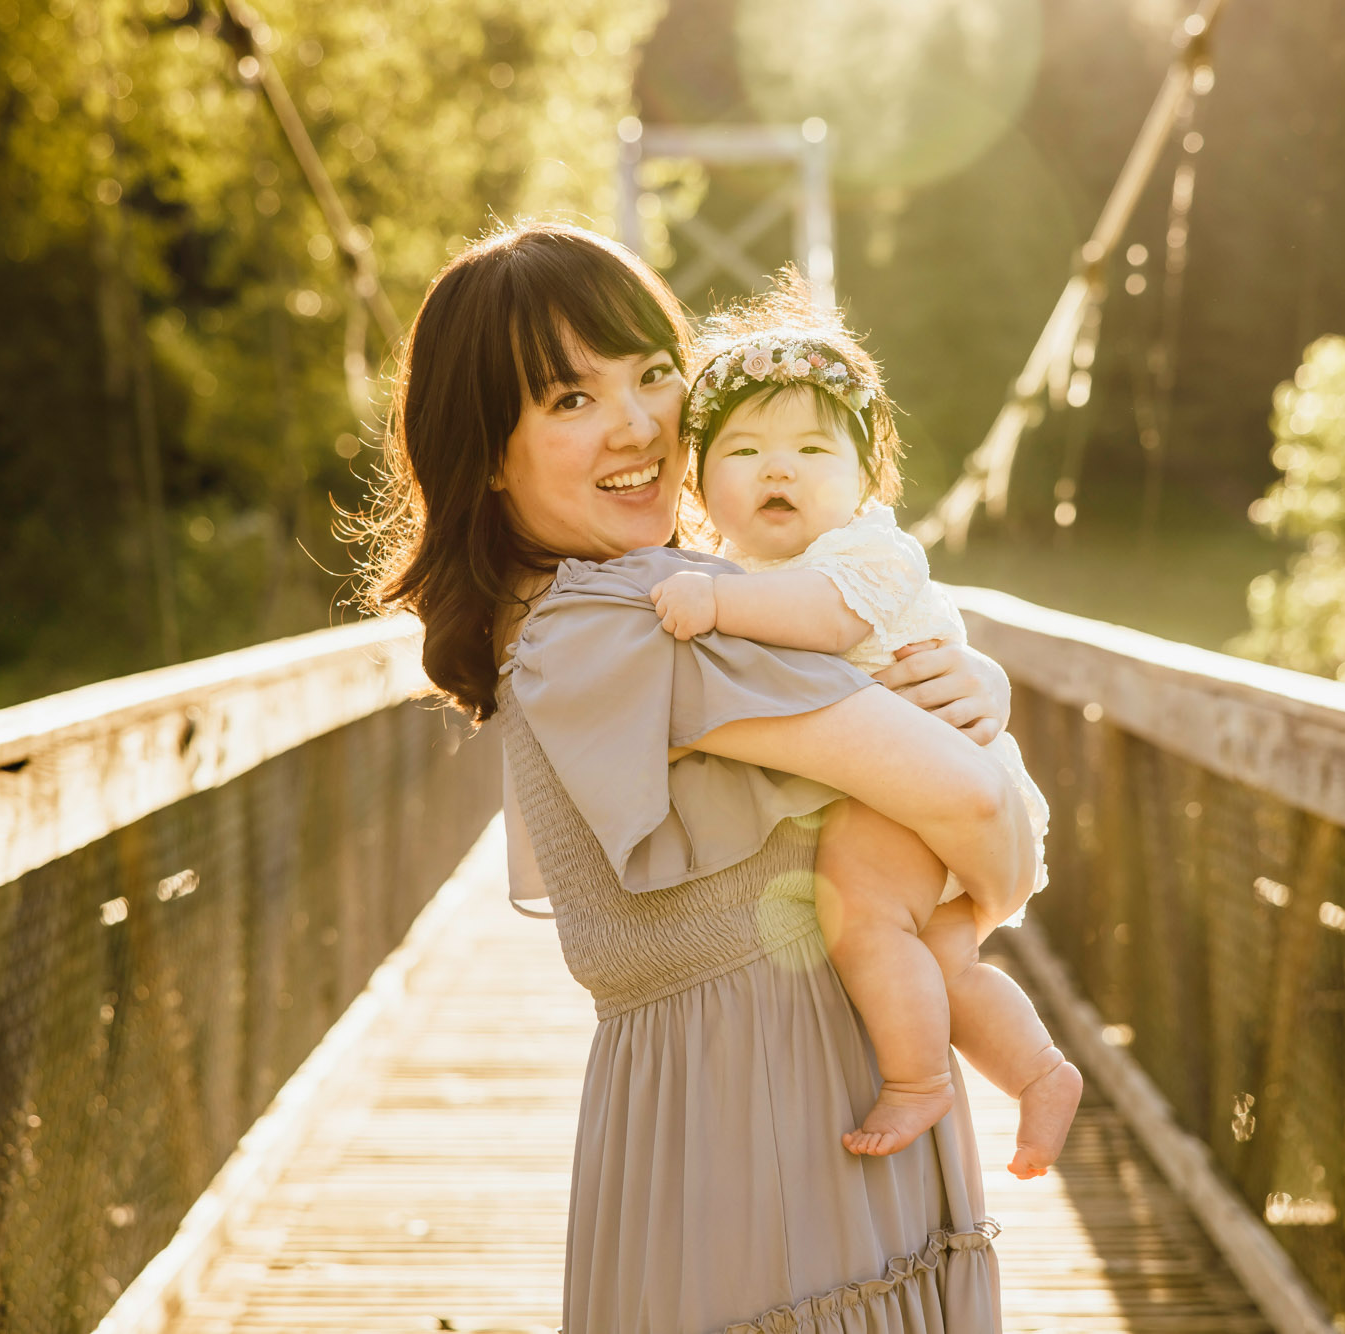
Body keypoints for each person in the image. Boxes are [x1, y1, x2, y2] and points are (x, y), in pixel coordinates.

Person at [360, 220, 1034, 1332]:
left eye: (654, 373)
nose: (637, 427)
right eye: (568, 399)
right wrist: (981, 777)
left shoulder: (676, 594)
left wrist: (965, 683)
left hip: (759, 1103)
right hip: (772, 1117)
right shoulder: (624, 622)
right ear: (486, 448)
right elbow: (974, 814)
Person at [647, 280, 1081, 1179]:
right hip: (923, 787)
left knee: (863, 921)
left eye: (813, 449)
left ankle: (920, 1079)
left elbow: (826, 619)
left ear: (866, 484)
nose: (781, 469)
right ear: (697, 488)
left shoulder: (865, 552)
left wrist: (718, 602)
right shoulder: (725, 565)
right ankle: (1040, 1074)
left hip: (918, 783)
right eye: (746, 450)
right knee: (945, 965)